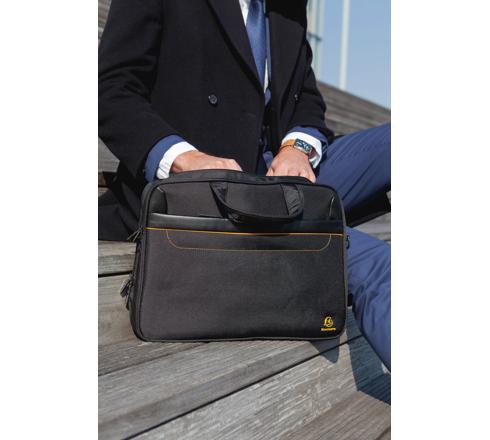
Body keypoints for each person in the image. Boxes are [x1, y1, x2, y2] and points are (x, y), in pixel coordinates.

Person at [98, 0, 391, 369]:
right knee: (379, 268)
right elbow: (111, 89)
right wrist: (183, 158)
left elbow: (306, 100)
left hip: (274, 173)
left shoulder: (285, 7)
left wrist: (296, 148)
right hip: (209, 193)